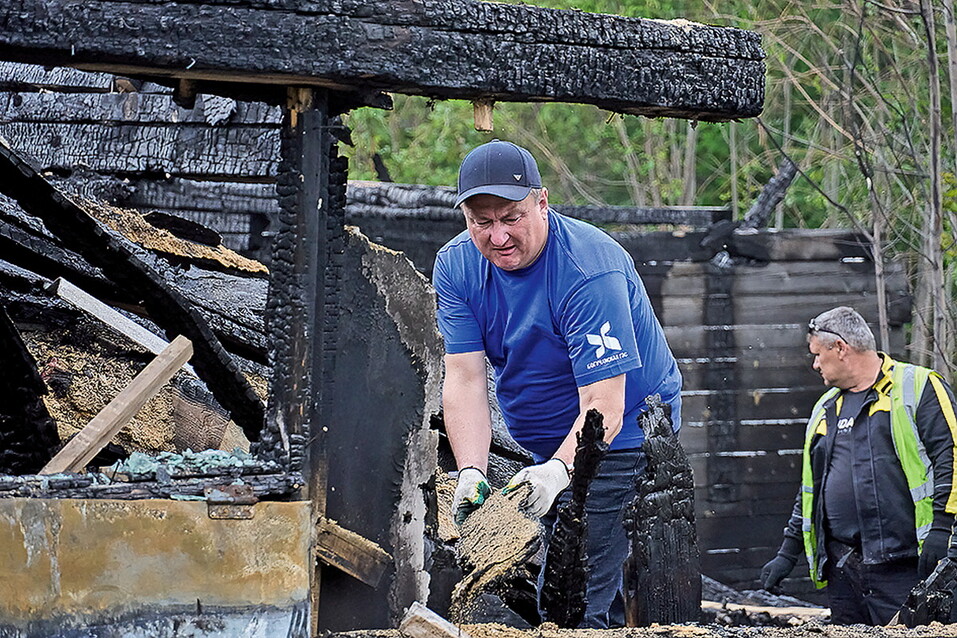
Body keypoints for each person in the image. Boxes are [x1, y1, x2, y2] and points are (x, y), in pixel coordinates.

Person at [433, 139, 682, 628]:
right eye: (481, 222)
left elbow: (605, 401)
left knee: (573, 593)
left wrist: (560, 471)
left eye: (511, 217)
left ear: (542, 202)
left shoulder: (588, 271)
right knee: (571, 577)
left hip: (624, 433)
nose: (497, 237)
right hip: (543, 438)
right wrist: (470, 471)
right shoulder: (457, 265)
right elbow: (464, 378)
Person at [760, 306, 957, 625]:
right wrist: (788, 551)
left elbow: (953, 456)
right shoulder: (825, 408)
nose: (814, 364)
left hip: (906, 568)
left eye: (817, 354)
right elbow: (812, 488)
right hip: (844, 571)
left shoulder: (917, 387)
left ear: (840, 348)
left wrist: (942, 528)